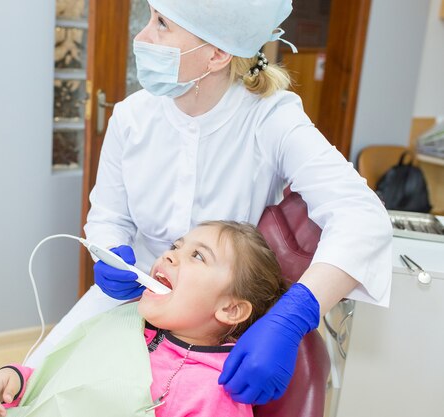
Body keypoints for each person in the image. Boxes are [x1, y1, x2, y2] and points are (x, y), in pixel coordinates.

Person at [28, 0, 393, 406]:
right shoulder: (131, 118)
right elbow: (109, 217)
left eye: (162, 24)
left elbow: (362, 217)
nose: (142, 37)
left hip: (214, 323)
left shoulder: (271, 119)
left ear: (217, 53)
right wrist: (111, 253)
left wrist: (294, 316)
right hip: (140, 299)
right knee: (32, 390)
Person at [0, 221, 288, 417]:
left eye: (198, 256)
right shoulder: (126, 321)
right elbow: (66, 375)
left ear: (231, 310)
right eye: (175, 246)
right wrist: (19, 381)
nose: (169, 255)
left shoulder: (212, 393)